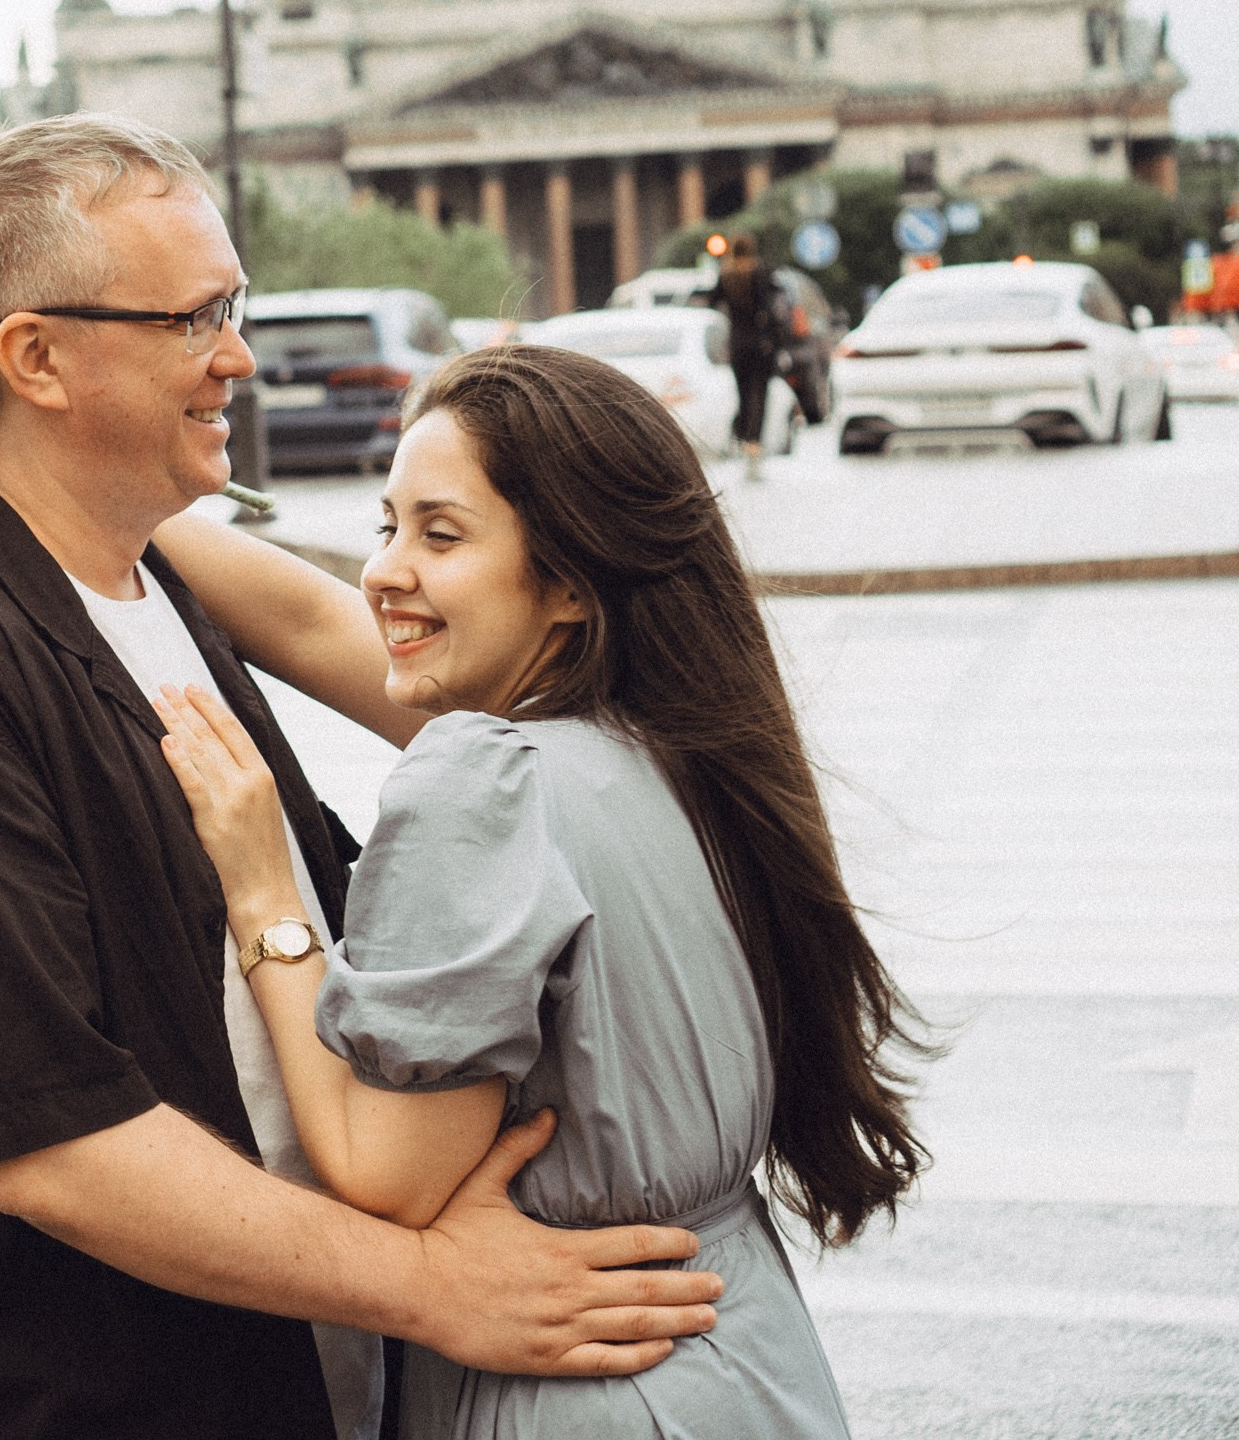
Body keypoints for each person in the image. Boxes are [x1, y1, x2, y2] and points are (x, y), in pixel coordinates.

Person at [0, 115, 725, 1440]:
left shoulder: (143, 572)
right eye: (195, 315)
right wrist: (435, 1286)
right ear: (36, 355)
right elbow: (49, 1143)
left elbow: (365, 648)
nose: (240, 354)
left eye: (236, 302)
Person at [147, 344, 934, 1438]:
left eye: (439, 533)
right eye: (385, 527)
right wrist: (104, 502)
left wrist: (264, 892)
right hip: (748, 1372)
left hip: (578, 1388)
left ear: (567, 584)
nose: (382, 570)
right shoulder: (684, 745)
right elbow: (318, 623)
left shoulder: (482, 782)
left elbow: (385, 1174)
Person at [712, 235, 783, 480]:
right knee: (759, 395)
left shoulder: (726, 274)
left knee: (742, 394)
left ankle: (743, 440)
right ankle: (754, 443)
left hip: (737, 344)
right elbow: (770, 307)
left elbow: (713, 301)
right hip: (759, 345)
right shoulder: (760, 272)